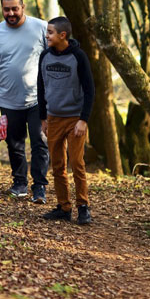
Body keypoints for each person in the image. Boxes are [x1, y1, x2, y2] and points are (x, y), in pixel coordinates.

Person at [0, 0, 49, 202]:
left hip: (38, 100)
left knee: (40, 142)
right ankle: (19, 183)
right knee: (14, 144)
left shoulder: (41, 27)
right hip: (8, 100)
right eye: (6, 9)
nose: (10, 13)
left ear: (23, 7)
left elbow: (54, 56)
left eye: (15, 8)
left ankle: (40, 187)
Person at [37, 16, 95, 225]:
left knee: (77, 163)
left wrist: (83, 120)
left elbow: (90, 90)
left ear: (63, 35)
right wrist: (43, 117)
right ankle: (64, 206)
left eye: (50, 32)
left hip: (74, 119)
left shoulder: (78, 56)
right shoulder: (45, 56)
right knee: (58, 164)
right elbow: (41, 88)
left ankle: (83, 206)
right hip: (53, 118)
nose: (47, 36)